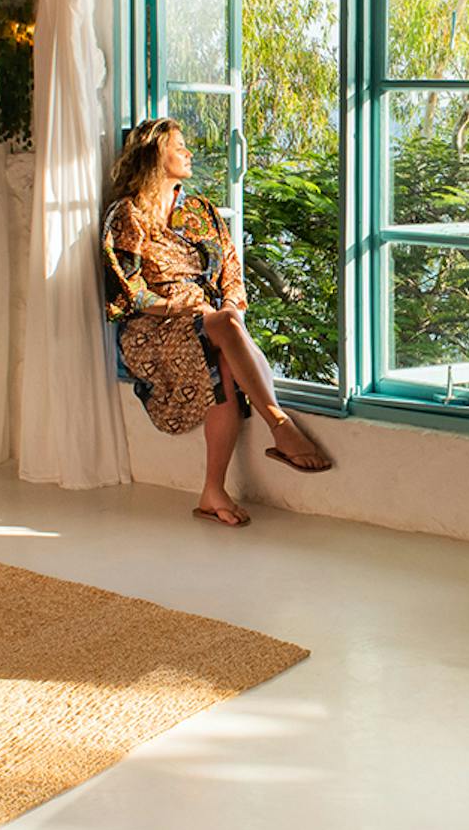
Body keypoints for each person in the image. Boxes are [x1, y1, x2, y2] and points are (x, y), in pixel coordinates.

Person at [101, 117, 332, 526]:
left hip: (211, 322)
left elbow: (231, 273)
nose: (188, 153)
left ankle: (212, 491)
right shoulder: (128, 216)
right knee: (223, 325)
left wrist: (229, 311)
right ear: (155, 156)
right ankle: (280, 425)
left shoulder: (201, 211)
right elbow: (129, 291)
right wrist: (186, 308)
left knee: (225, 356)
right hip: (151, 330)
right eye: (179, 147)